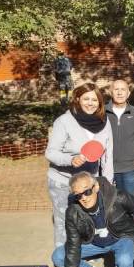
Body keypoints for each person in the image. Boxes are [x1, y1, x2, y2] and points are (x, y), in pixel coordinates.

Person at [45, 83, 113, 248]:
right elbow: (50, 152)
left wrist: (108, 182)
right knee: (63, 222)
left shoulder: (104, 122)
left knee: (85, 219)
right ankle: (63, 257)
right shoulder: (64, 121)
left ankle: (82, 253)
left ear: (100, 102)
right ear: (77, 99)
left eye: (94, 100)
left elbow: (108, 155)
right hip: (63, 182)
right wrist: (70, 160)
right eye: (86, 99)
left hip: (89, 183)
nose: (90, 103)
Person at [106, 79, 134, 196]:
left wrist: (129, 152)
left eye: (123, 89)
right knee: (108, 201)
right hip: (106, 167)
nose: (119, 92)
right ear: (111, 92)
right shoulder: (101, 112)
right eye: (116, 89)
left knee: (129, 202)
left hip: (128, 168)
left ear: (128, 93)